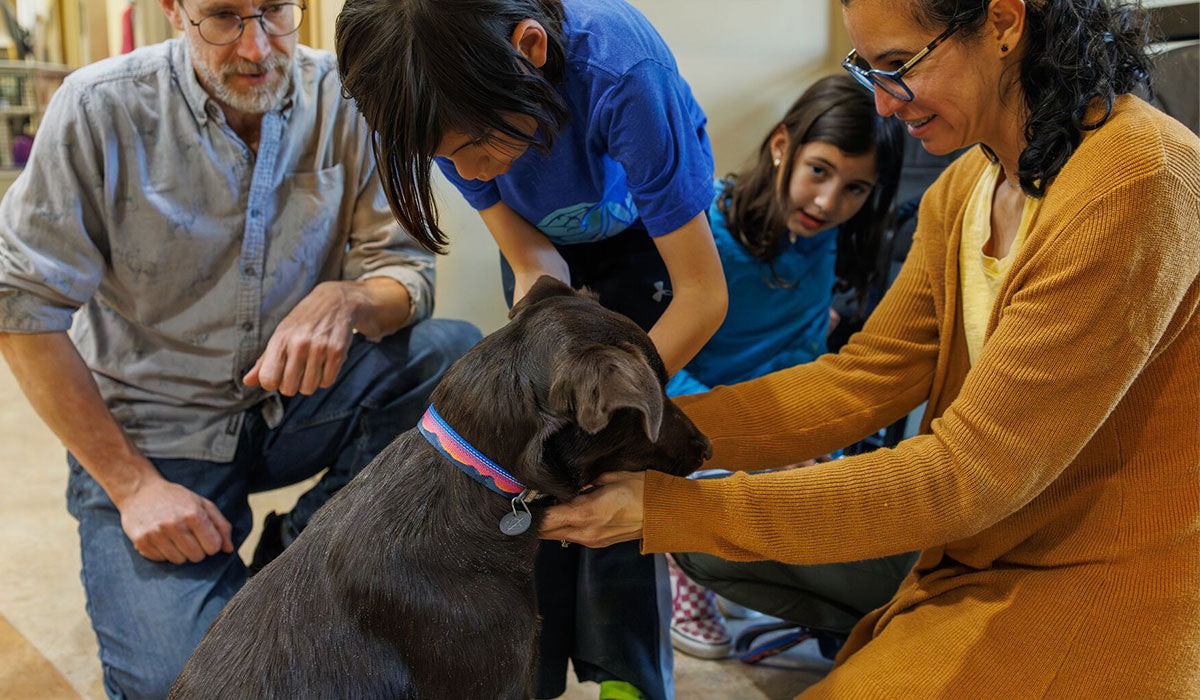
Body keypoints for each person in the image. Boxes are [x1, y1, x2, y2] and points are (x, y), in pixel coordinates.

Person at [543, 0, 1200, 695]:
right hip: (976, 552)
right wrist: (640, 432)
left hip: (1097, 580)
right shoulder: (967, 187)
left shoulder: (1137, 181)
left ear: (1004, 23)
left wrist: (667, 508)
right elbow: (860, 379)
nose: (883, 107)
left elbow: (964, 476)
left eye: (897, 67)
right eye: (870, 70)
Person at [0, 1, 481, 697]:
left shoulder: (347, 99)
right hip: (155, 437)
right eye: (223, 17)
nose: (256, 46)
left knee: (449, 358)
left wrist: (347, 299)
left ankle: (301, 555)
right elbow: (22, 312)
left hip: (291, 406)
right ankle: (229, 574)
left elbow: (406, 272)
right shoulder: (97, 108)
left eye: (274, 12)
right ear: (172, 10)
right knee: (189, 683)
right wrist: (131, 487)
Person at [335, 2, 725, 699]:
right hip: (544, 254)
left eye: (477, 147)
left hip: (647, 245)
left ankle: (628, 677)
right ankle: (530, 675)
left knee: (620, 460)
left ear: (531, 49)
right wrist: (549, 349)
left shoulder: (623, 73)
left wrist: (615, 403)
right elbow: (531, 258)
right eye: (448, 158)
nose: (469, 167)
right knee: (532, 459)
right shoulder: (438, 104)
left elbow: (702, 292)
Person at [661, 74, 912, 661]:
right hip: (688, 416)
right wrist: (743, 438)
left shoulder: (825, 244)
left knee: (834, 480)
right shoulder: (706, 237)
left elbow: (802, 359)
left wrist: (802, 439)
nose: (828, 203)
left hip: (758, 421)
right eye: (819, 171)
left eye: (855, 189)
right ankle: (685, 577)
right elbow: (660, 368)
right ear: (781, 146)